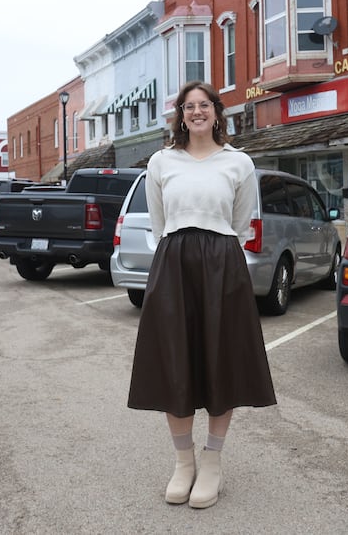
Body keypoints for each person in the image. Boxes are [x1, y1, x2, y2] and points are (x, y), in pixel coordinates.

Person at [127, 80, 277, 509]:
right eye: (189, 106)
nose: (196, 112)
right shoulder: (161, 162)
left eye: (204, 105)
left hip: (222, 265)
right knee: (175, 360)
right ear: (180, 114)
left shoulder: (238, 162)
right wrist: (182, 250)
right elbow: (159, 222)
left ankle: (212, 461)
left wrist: (215, 252)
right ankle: (183, 462)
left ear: (216, 112)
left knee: (219, 360)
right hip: (174, 263)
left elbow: (241, 223)